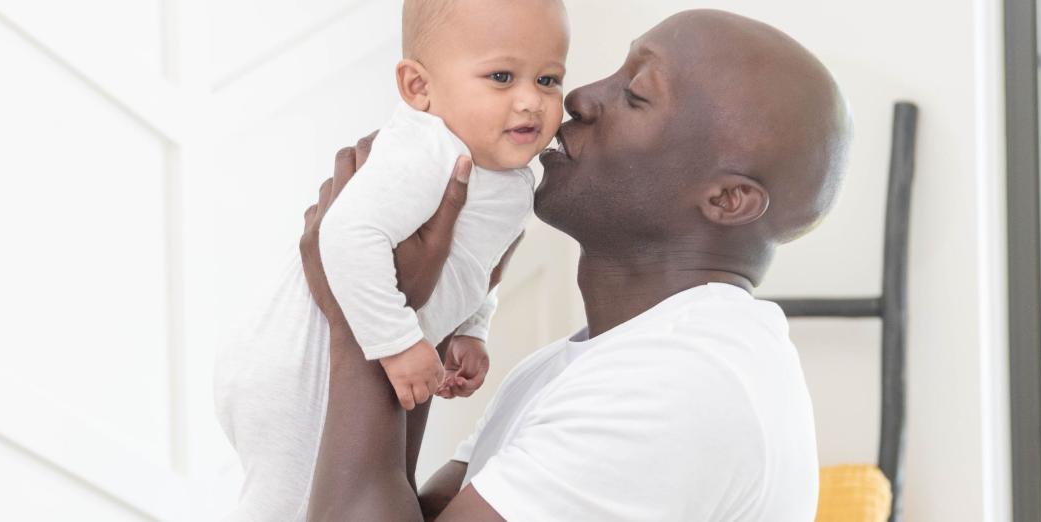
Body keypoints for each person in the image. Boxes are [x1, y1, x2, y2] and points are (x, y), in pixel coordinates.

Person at [299, 9, 852, 521]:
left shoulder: (671, 387)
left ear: (727, 199)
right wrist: (417, 307)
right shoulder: (577, 369)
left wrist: (366, 318)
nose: (579, 98)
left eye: (635, 94)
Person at [213, 0, 569, 519]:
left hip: (346, 354)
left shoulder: (510, 177)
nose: (530, 102)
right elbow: (346, 236)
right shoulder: (426, 151)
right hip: (294, 363)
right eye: (501, 76)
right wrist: (399, 343)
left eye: (547, 79)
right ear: (418, 88)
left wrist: (472, 326)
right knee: (285, 500)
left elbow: (479, 262)